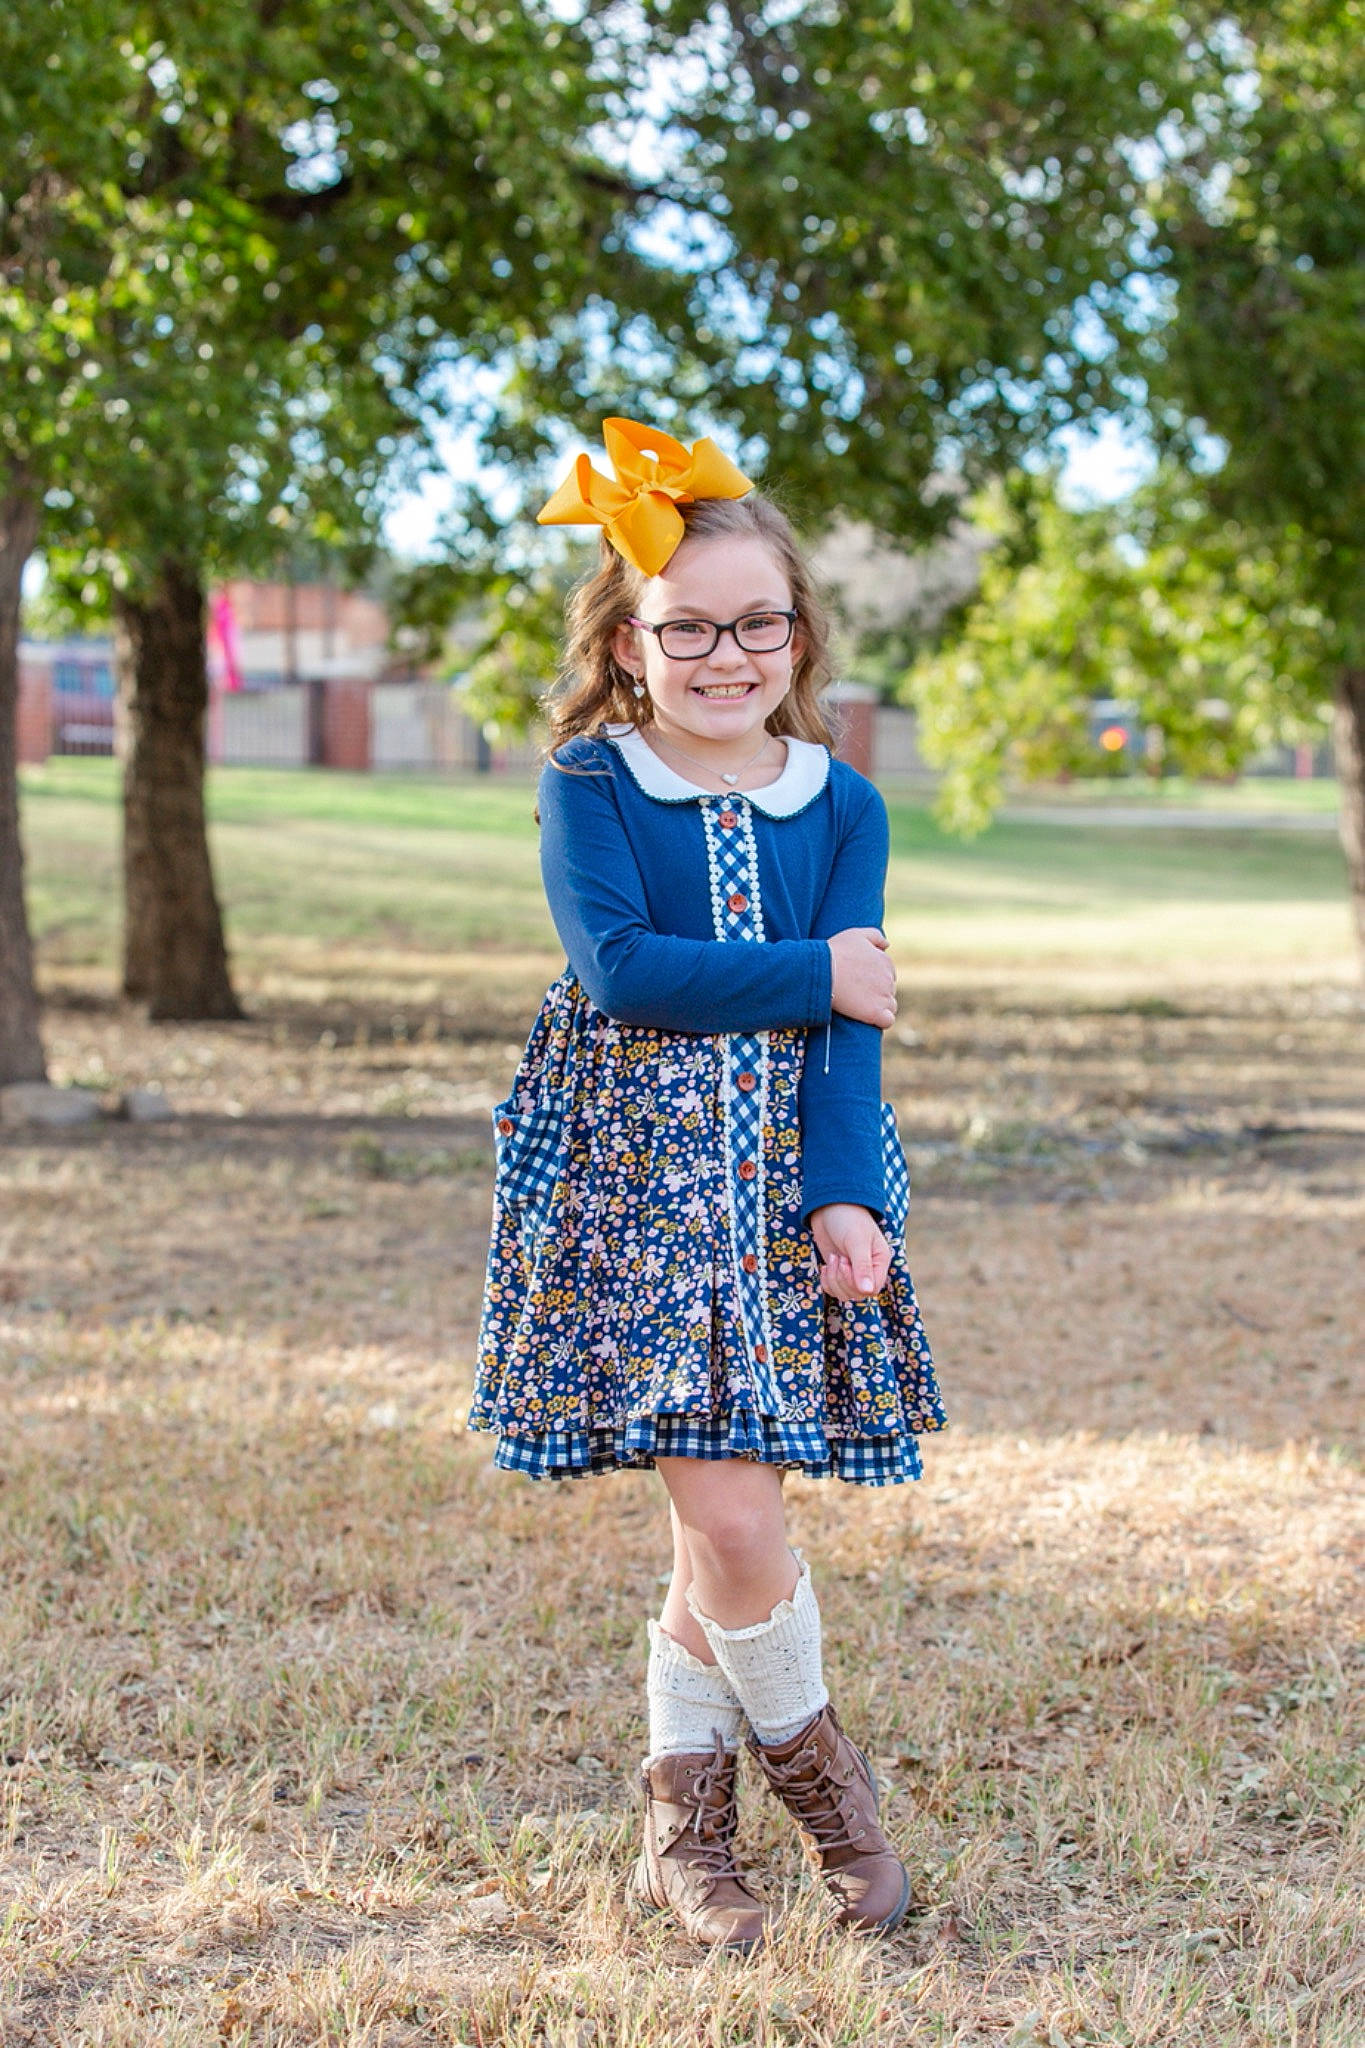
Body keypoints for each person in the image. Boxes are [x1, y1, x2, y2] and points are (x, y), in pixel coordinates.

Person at [467, 418, 946, 1953]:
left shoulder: (843, 803)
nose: (724, 655)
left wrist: (842, 1192)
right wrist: (819, 969)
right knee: (733, 1517)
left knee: (720, 1526)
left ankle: (681, 1830)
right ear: (627, 641)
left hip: (779, 1183)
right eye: (686, 628)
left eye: (755, 624)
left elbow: (851, 1037)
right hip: (635, 1185)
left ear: (797, 633)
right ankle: (834, 1804)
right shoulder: (591, 783)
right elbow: (625, 971)